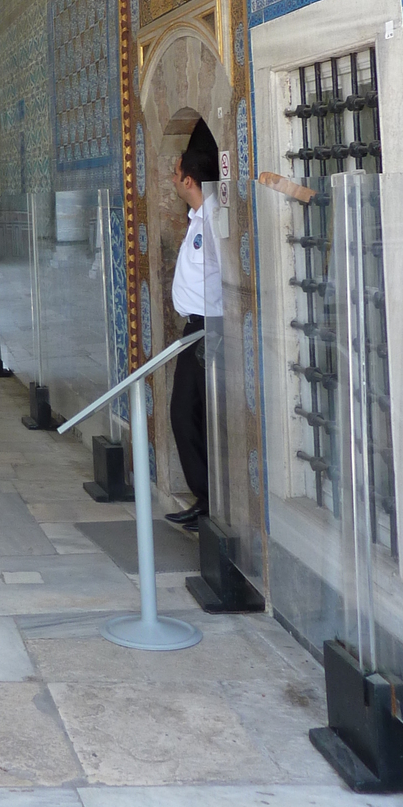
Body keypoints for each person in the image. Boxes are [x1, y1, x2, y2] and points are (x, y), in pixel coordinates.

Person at [165, 120, 220, 532]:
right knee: (191, 415)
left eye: (175, 170)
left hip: (209, 332)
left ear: (187, 179)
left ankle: (209, 499)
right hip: (196, 330)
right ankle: (206, 498)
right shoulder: (198, 217)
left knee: (184, 413)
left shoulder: (214, 221)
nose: (172, 176)